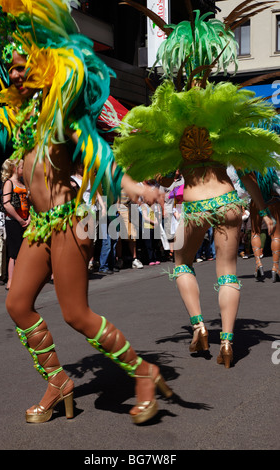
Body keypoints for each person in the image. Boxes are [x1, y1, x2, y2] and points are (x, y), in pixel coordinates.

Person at [0, 0, 171, 425]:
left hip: (68, 223)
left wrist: (137, 187)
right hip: (40, 227)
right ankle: (58, 381)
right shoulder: (24, 116)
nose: (15, 74)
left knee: (76, 315)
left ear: (45, 64)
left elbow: (97, 157)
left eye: (22, 65)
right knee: (16, 304)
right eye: (10, 67)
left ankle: (145, 374)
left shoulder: (61, 112)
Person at [113, 7, 280, 368]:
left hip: (195, 205)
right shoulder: (223, 113)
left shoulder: (175, 116)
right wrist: (264, 212)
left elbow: (167, 175)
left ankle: (200, 325)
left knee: (181, 261)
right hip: (228, 201)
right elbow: (248, 174)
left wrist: (154, 179)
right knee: (228, 270)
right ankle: (228, 342)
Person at [1, 158, 30, 290]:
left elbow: (30, 202)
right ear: (15, 168)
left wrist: (28, 217)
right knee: (15, 252)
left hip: (25, 220)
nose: (24, 170)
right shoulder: (9, 183)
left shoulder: (23, 183)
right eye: (22, 167)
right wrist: (19, 219)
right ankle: (12, 280)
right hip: (13, 221)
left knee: (24, 251)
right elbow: (6, 204)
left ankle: (22, 279)